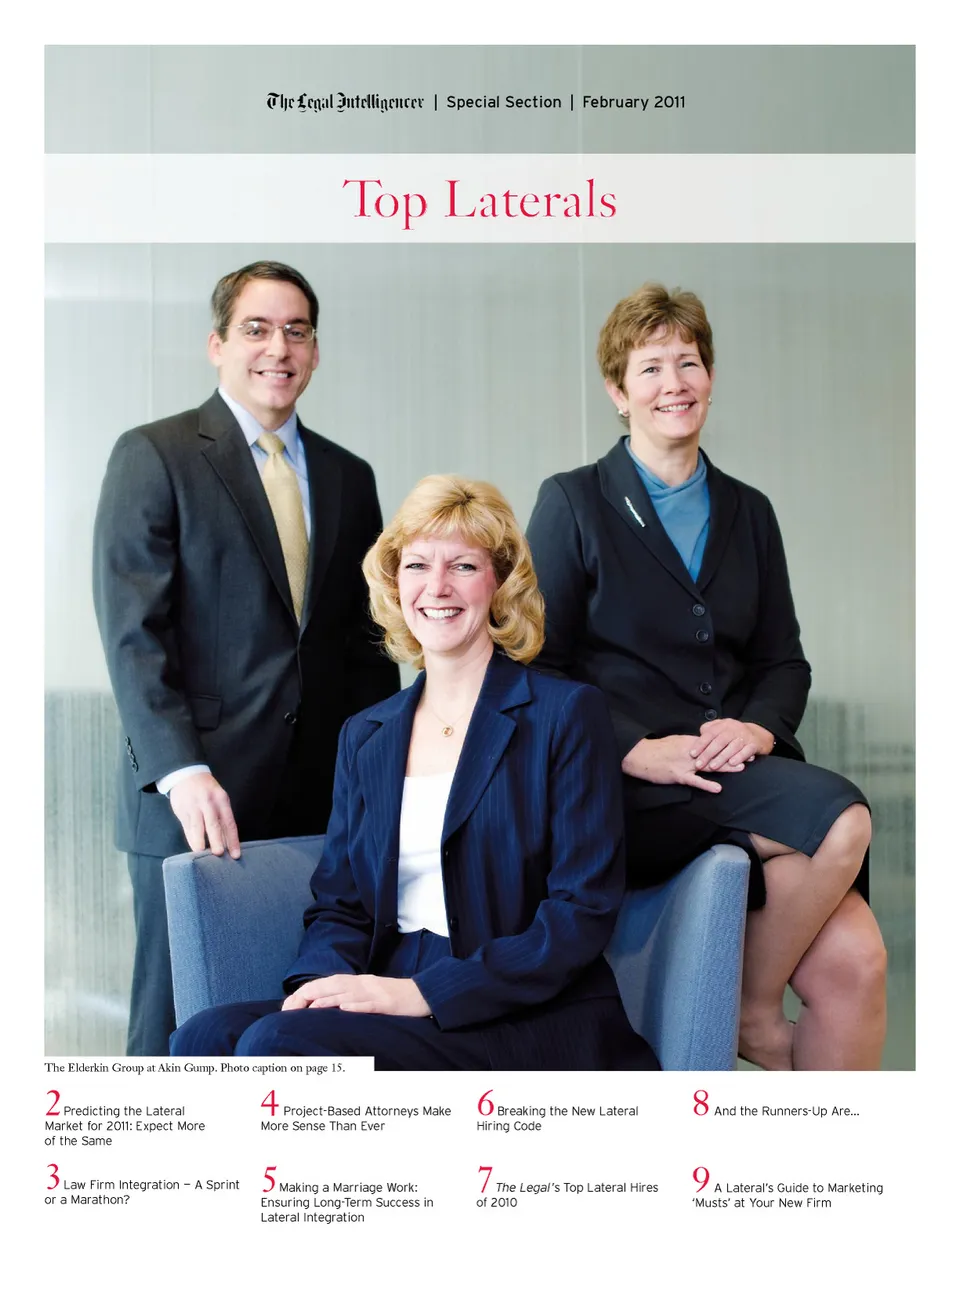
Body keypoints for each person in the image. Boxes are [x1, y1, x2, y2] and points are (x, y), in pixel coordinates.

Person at [170, 475, 658, 1069]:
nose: (437, 587)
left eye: (463, 566)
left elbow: (581, 912)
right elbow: (342, 903)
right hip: (393, 981)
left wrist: (425, 993)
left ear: (500, 583)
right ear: (395, 582)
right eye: (418, 565)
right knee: (205, 1039)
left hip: (523, 1011)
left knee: (275, 1046)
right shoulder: (367, 734)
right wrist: (319, 989)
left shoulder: (565, 714)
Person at [526, 283, 887, 1071]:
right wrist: (633, 748)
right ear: (618, 391)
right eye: (650, 367)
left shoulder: (749, 511)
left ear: (712, 378)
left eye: (688, 362)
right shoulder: (574, 502)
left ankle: (843, 1150)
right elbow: (538, 669)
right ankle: (753, 1012)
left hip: (738, 778)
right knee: (845, 821)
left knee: (858, 965)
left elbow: (783, 661)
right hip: (632, 793)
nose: (674, 383)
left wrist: (757, 727)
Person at [93, 260, 399, 1056]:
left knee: (300, 1020)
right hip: (197, 798)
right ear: (218, 344)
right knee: (175, 1025)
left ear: (315, 351)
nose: (278, 348)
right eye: (256, 329)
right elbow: (134, 634)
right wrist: (180, 770)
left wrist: (377, 779)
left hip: (320, 806)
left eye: (296, 331)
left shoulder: (349, 476)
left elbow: (369, 646)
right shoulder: (154, 455)